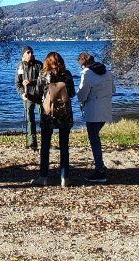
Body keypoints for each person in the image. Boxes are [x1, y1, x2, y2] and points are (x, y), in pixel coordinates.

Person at [34, 51, 76, 188]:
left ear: (47, 62)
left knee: (45, 146)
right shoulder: (67, 74)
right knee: (64, 146)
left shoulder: (42, 74)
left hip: (48, 114)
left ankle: (43, 176)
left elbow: (38, 93)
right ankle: (64, 177)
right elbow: (72, 93)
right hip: (65, 114)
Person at [77, 52, 115, 183]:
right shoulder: (107, 72)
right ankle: (100, 166)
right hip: (106, 109)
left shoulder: (87, 74)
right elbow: (113, 90)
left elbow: (82, 95)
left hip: (93, 110)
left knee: (94, 140)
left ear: (83, 63)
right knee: (96, 137)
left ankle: (100, 170)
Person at [15, 46, 42, 151]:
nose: (31, 54)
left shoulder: (39, 64)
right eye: (28, 52)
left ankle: (46, 140)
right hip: (27, 96)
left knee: (44, 118)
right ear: (23, 55)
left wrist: (32, 82)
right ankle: (32, 143)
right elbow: (17, 83)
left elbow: (43, 80)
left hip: (39, 96)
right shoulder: (20, 66)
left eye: (32, 52)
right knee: (30, 119)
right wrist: (22, 93)